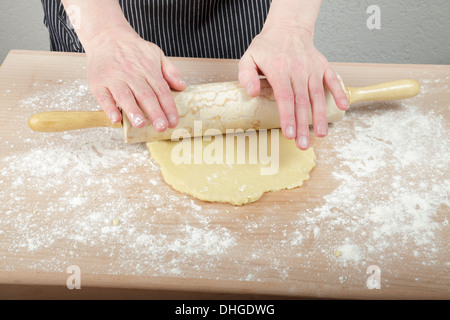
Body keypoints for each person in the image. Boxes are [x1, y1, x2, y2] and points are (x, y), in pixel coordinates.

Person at [41, 0, 348, 150]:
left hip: (239, 10)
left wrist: (291, 26)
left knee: (253, 95)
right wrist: (104, 33)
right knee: (123, 95)